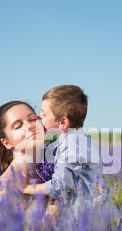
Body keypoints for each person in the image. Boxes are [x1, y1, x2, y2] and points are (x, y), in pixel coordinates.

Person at [23, 85, 108, 218]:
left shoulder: (74, 144)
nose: (39, 117)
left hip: (89, 217)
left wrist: (27, 188)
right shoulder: (72, 140)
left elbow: (59, 185)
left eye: (44, 114)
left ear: (63, 123)